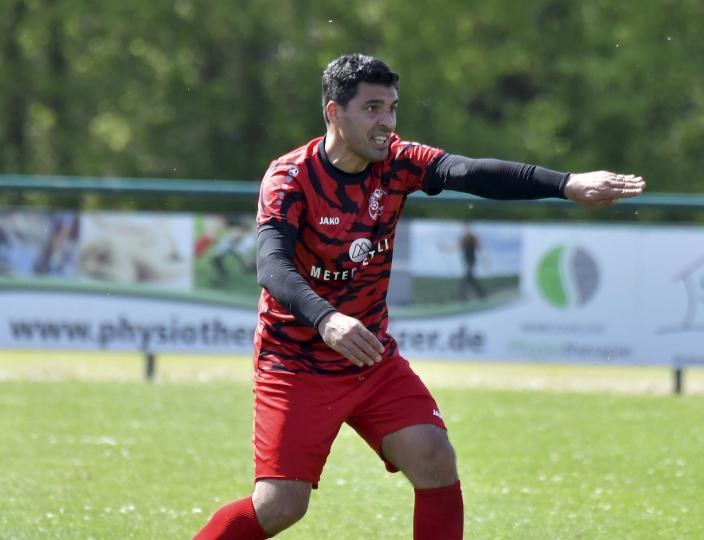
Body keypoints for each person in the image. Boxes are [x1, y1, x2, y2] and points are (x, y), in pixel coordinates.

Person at [194, 53, 645, 540]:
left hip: (368, 358)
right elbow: (272, 265)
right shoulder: (290, 178)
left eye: (391, 108)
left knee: (434, 459)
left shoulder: (397, 162)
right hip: (297, 362)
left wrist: (567, 184)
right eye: (371, 109)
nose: (385, 122)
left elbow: (469, 172)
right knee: (281, 506)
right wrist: (327, 319)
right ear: (333, 113)